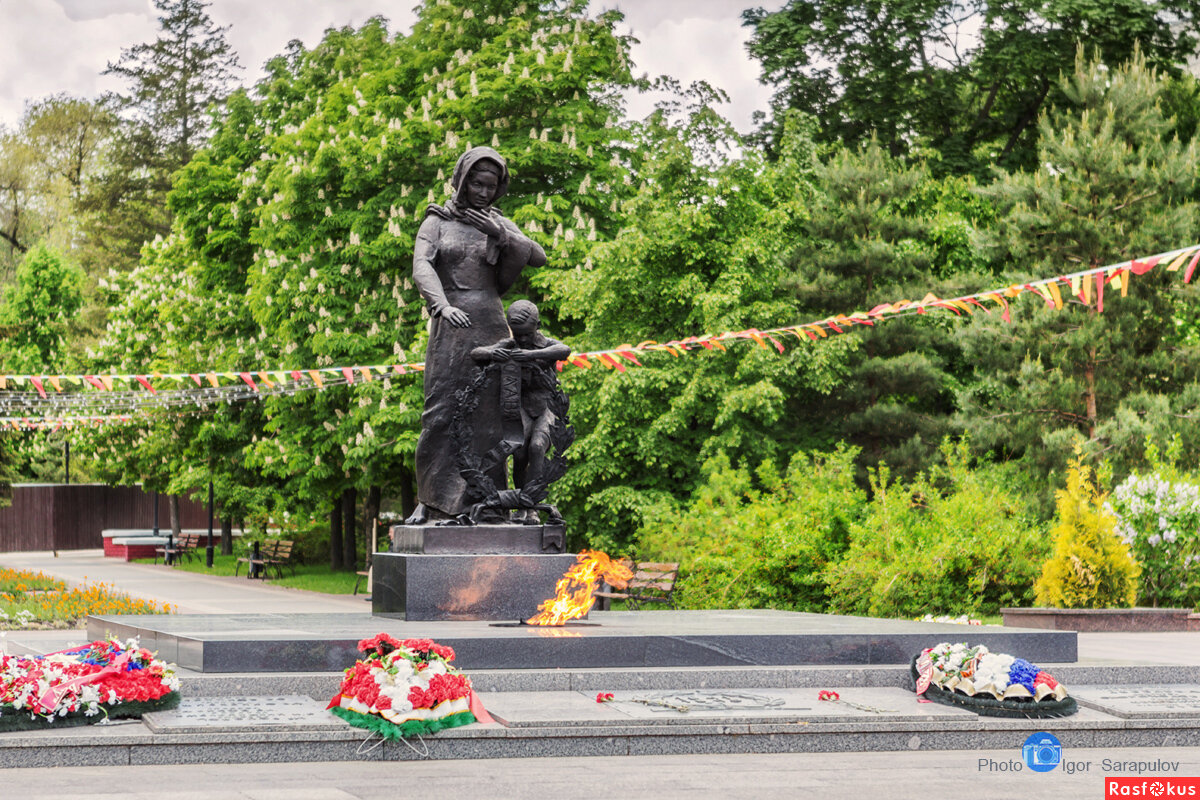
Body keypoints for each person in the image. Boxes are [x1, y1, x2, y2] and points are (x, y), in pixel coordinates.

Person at [407, 147, 547, 524]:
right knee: (439, 413)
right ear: (462, 180)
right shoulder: (437, 221)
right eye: (477, 184)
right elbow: (422, 266)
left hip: (490, 321)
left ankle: (487, 502)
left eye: (491, 186)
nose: (484, 193)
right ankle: (430, 500)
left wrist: (499, 232)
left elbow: (538, 256)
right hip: (451, 323)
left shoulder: (497, 220)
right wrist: (441, 305)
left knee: (489, 416)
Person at [470, 300, 570, 514]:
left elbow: (564, 350)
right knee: (520, 450)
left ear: (538, 325)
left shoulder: (546, 344)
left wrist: (531, 355)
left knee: (537, 446)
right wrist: (492, 354)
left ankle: (530, 505)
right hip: (522, 407)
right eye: (518, 335)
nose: (523, 339)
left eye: (527, 334)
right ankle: (522, 501)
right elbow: (476, 354)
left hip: (547, 406)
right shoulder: (511, 345)